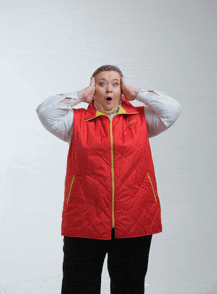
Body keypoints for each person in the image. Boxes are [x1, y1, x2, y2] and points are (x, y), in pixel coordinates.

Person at [36, 65, 182, 294]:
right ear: (93, 88)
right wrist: (79, 96)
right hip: (84, 219)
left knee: (129, 287)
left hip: (135, 218)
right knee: (78, 287)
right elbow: (45, 112)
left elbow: (173, 109)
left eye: (115, 83)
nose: (108, 89)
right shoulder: (75, 121)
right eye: (102, 83)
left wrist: (138, 93)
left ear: (122, 88)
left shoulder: (142, 119)